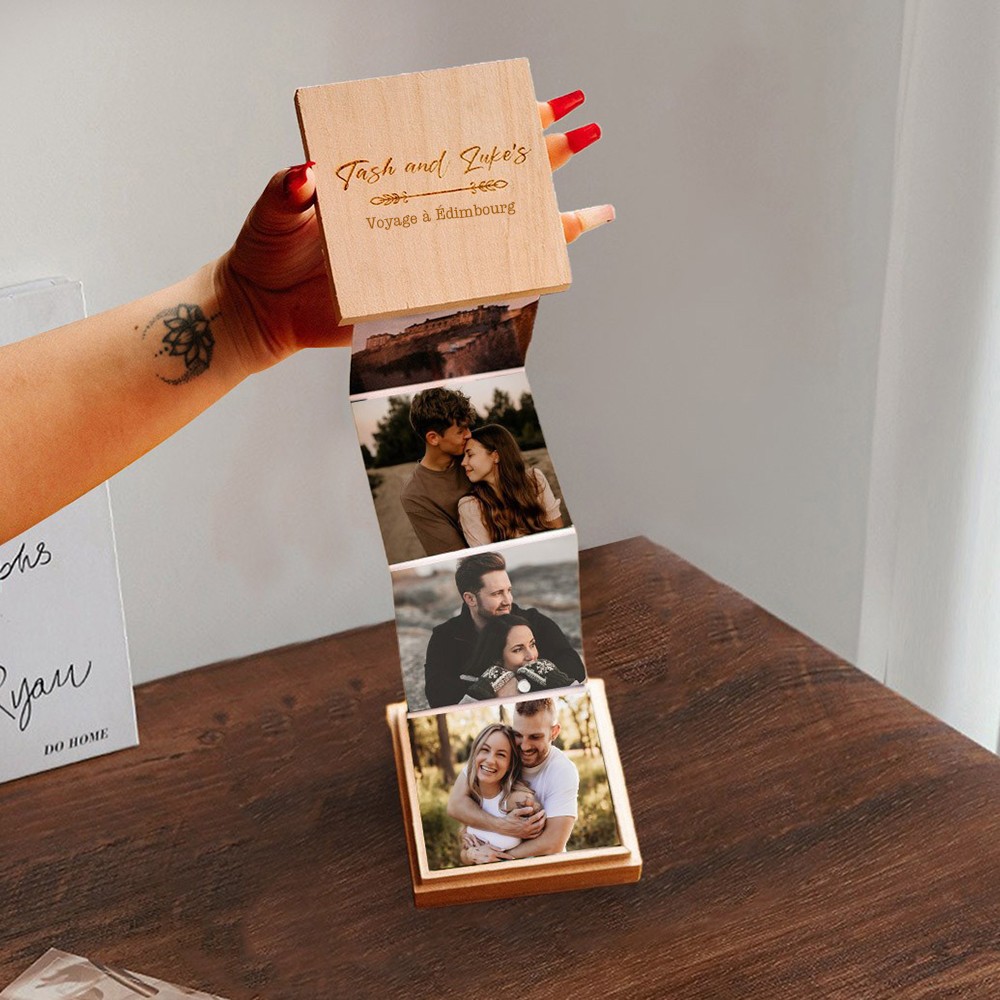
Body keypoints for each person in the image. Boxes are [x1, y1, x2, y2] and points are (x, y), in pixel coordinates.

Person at [0, 91, 612, 545]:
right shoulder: (449, 501)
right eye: (464, 432)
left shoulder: (496, 488)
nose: (469, 439)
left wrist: (249, 311)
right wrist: (246, 313)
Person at [423, 551, 585, 708]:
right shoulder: (445, 636)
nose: (508, 600)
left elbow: (574, 666)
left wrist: (521, 682)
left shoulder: (533, 621)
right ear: (470, 599)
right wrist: (488, 686)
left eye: (509, 590)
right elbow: (437, 694)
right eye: (497, 594)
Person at [447, 697, 579, 864]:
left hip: (543, 868)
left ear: (554, 732)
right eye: (518, 735)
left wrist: (496, 857)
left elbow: (553, 843)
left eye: (535, 737)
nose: (524, 746)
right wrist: (500, 827)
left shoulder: (562, 770)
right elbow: (455, 805)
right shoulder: (494, 756)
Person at [458, 423, 564, 547]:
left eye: (470, 455)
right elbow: (487, 557)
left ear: (495, 456)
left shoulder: (534, 480)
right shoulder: (471, 506)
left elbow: (558, 531)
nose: (463, 462)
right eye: (464, 456)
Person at [399, 387, 476, 556]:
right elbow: (456, 556)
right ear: (433, 438)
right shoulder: (415, 496)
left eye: (468, 427)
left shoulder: (477, 454)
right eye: (460, 431)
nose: (469, 435)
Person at [458, 722, 538, 857]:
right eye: (485, 750)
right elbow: (464, 854)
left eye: (501, 754)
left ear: (510, 764)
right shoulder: (469, 799)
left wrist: (501, 858)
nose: (490, 760)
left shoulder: (519, 800)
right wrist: (472, 854)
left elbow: (542, 847)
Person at [460, 613, 575, 702]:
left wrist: (561, 682)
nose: (531, 656)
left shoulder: (547, 676)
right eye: (518, 650)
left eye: (532, 644)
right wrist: (481, 692)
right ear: (497, 659)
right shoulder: (471, 688)